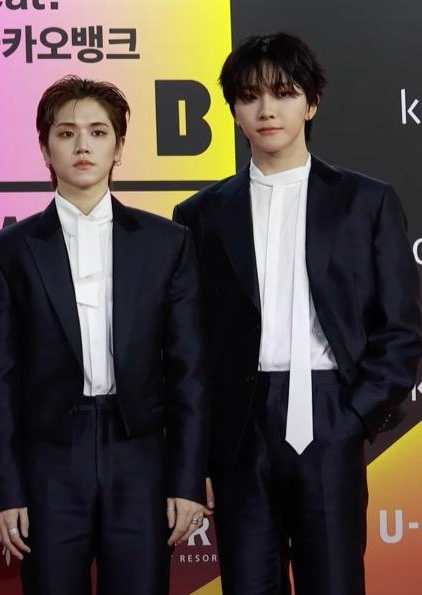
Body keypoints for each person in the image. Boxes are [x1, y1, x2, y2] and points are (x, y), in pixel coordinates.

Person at [174, 32, 422, 595]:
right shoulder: (200, 214)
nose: (267, 110)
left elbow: (401, 330)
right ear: (234, 110)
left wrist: (353, 417)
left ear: (311, 103)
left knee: (333, 580)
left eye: (283, 93)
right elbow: (190, 345)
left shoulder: (366, 201)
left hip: (331, 410)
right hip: (240, 426)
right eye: (250, 96)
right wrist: (200, 451)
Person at [0, 75, 209, 595]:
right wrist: (5, 490)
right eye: (66, 133)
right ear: (45, 149)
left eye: (98, 132)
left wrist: (187, 480)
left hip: (140, 454)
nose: (82, 146)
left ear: (119, 147)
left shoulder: (166, 243)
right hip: (49, 459)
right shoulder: (7, 251)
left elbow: (189, 372)